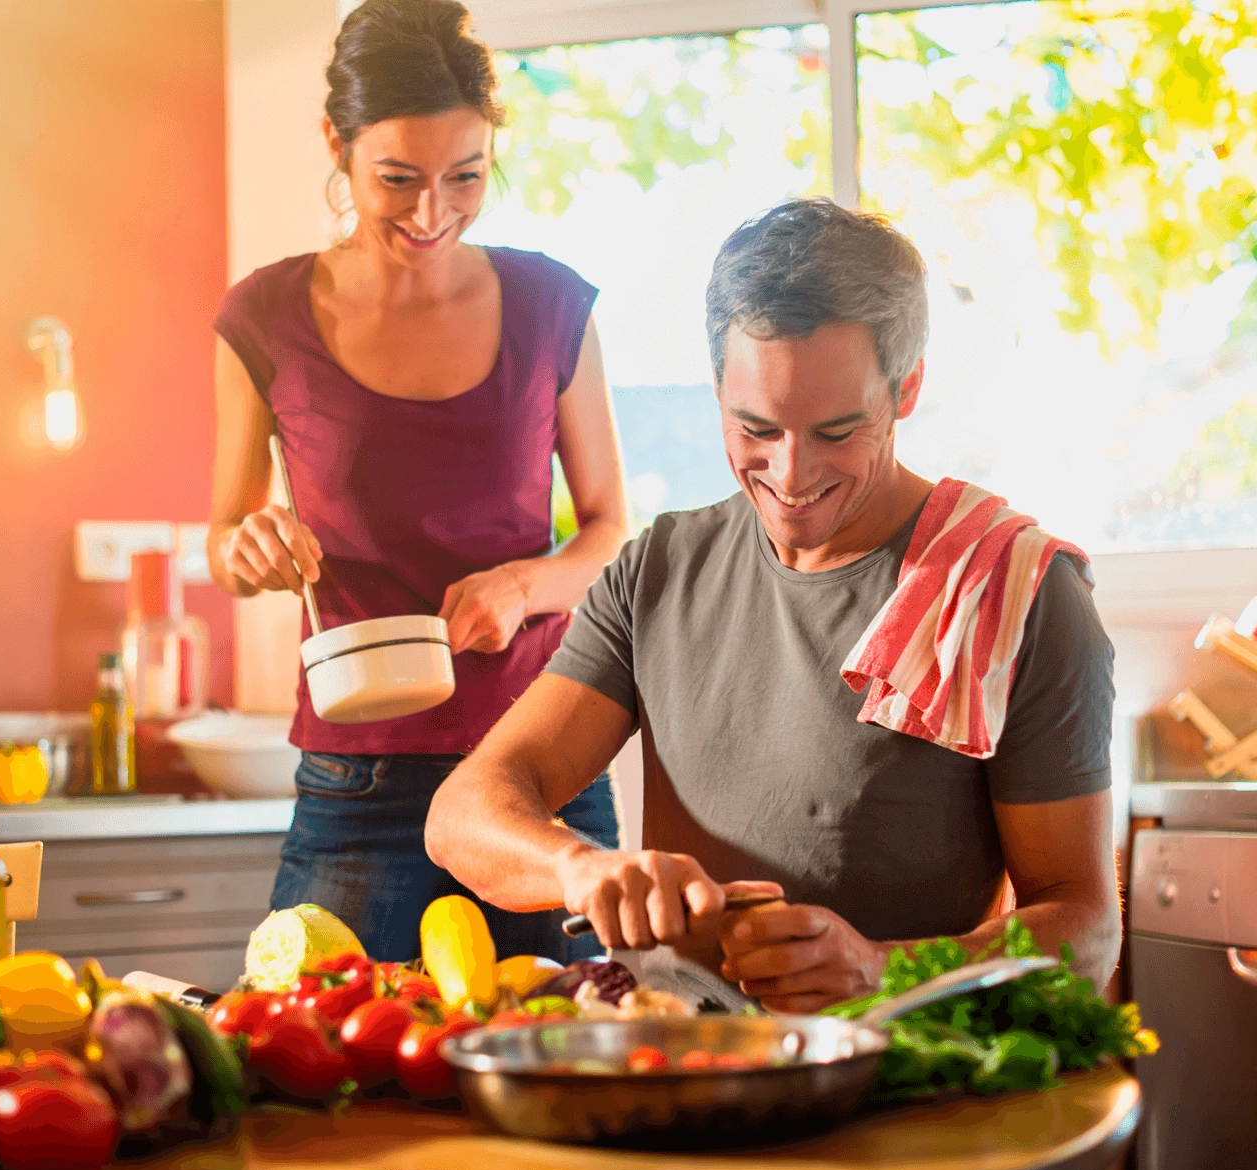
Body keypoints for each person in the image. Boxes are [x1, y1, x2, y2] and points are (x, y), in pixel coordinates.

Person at [425, 198, 1122, 1012]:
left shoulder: (1018, 594)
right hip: (674, 1054)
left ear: (908, 388)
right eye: (755, 427)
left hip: (893, 1071)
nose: (790, 476)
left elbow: (1085, 926)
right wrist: (582, 869)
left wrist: (882, 968)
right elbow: (463, 812)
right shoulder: (657, 571)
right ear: (716, 385)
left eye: (836, 432)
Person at [208, 0, 629, 963]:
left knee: (576, 1059)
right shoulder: (264, 315)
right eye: (397, 178)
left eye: (466, 177)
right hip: (358, 778)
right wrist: (248, 547)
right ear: (337, 145)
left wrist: (523, 585)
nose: (432, 212)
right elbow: (223, 545)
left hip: (540, 764)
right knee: (322, 1076)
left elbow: (608, 530)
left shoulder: (550, 302)